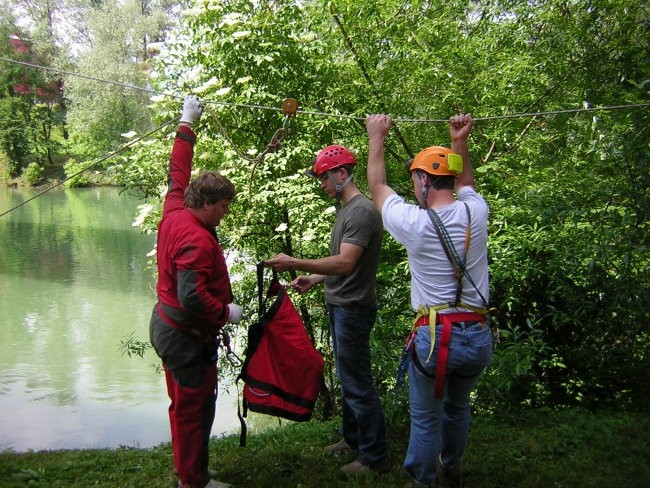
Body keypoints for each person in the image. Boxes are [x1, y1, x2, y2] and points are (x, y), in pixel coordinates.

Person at [365, 113, 493, 488]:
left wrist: (376, 137)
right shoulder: (477, 213)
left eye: (414, 179)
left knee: (426, 417)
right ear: (449, 180)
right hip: (477, 335)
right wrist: (460, 142)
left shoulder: (414, 224)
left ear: (423, 181)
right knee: (458, 406)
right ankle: (450, 467)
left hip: (436, 339)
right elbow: (467, 183)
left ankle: (423, 481)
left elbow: (377, 187)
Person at [265, 144, 389, 477]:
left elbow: (347, 263)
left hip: (353, 309)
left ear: (342, 174)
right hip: (340, 305)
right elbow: (343, 261)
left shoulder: (361, 211)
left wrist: (293, 262)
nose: (321, 184)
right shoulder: (347, 209)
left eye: (323, 177)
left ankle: (374, 457)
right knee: (347, 379)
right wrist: (316, 277)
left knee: (358, 382)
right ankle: (352, 439)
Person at [149, 95, 241, 488]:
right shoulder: (196, 241)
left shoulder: (175, 208)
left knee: (189, 401)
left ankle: (190, 467)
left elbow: (177, 172)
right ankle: (193, 480)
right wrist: (225, 313)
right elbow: (191, 296)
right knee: (193, 405)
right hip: (183, 334)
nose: (225, 213)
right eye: (222, 206)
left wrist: (187, 123)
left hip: (170, 327)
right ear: (206, 204)